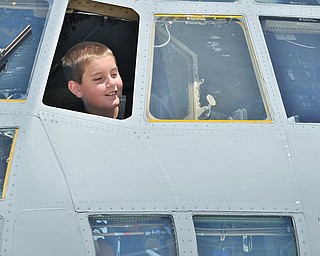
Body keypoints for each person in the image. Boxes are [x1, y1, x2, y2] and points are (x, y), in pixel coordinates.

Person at [61, 41, 125, 118]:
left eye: (114, 74)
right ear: (76, 89)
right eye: (99, 78)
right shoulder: (69, 119)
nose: (112, 83)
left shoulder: (138, 111)